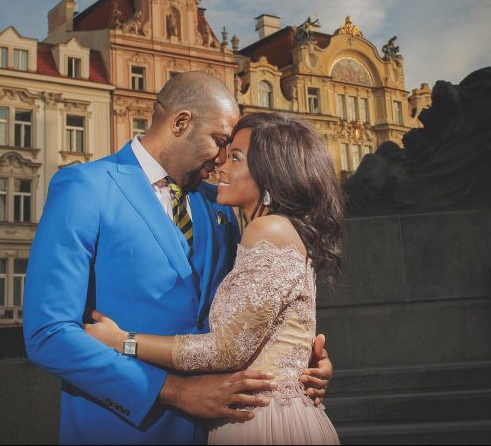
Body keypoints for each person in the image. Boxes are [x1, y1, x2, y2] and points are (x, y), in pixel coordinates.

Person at [23, 73, 332, 444]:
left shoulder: (218, 204)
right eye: (219, 143)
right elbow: (48, 334)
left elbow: (248, 310)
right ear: (181, 122)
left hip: (221, 428)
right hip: (123, 428)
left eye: (231, 151)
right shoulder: (86, 187)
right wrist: (173, 391)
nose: (221, 160)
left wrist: (296, 359)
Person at [86, 111, 344, 444]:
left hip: (263, 421)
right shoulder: (268, 230)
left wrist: (122, 341)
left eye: (235, 157)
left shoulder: (269, 229)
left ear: (271, 174)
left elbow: (226, 351)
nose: (221, 164)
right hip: (260, 413)